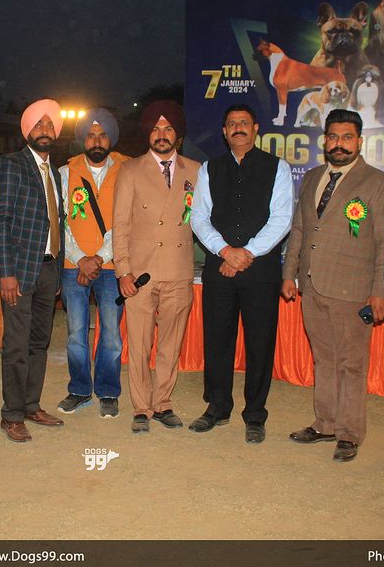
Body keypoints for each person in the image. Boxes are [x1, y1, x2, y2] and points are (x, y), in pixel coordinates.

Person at [281, 109, 384, 460]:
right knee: (324, 359)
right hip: (312, 286)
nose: (339, 144)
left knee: (351, 363)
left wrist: (380, 291)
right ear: (325, 141)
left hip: (353, 290)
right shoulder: (313, 177)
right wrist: (289, 273)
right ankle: (325, 423)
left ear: (359, 141)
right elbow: (300, 229)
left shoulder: (379, 183)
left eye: (347, 137)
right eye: (333, 137)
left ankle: (349, 433)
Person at [189, 104, 293, 444]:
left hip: (260, 271)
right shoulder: (209, 168)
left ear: (256, 128)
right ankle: (217, 407)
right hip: (220, 269)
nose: (238, 128)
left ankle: (255, 414)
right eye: (232, 123)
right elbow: (199, 217)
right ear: (224, 131)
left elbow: (282, 219)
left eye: (244, 123)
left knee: (259, 344)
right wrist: (225, 251)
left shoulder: (277, 167)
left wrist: (246, 253)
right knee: (217, 340)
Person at [113, 100, 200, 434]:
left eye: (168, 128)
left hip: (178, 270)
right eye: (155, 128)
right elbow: (120, 225)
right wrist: (123, 271)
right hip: (140, 275)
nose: (161, 134)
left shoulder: (197, 171)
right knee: (139, 344)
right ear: (147, 134)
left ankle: (163, 403)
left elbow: (203, 220)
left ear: (178, 135)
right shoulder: (130, 170)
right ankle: (141, 407)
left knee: (170, 344)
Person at [0, 99, 65, 443]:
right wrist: (6, 273)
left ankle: (31, 405)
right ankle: (12, 415)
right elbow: (0, 220)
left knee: (38, 343)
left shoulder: (54, 173)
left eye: (50, 125)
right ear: (27, 130)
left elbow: (56, 222)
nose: (45, 130)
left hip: (48, 268)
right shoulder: (11, 164)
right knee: (16, 345)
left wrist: (57, 270)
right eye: (38, 124)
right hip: (17, 271)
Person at [56, 108, 129, 419]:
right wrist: (80, 259)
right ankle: (79, 390)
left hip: (112, 267)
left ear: (111, 138)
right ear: (82, 140)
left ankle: (108, 392)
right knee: (75, 333)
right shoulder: (65, 172)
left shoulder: (127, 170)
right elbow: (61, 221)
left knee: (111, 334)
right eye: (90, 136)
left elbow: (125, 221)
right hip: (73, 267)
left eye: (102, 135)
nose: (97, 141)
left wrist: (100, 257)